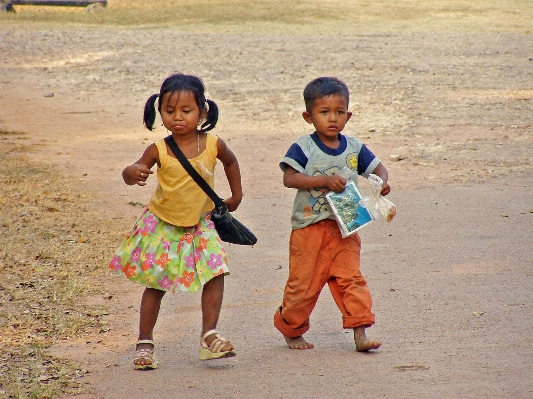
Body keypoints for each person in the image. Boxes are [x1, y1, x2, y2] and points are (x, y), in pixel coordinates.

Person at [109, 73, 243, 369]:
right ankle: (145, 341)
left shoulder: (213, 144)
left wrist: (237, 194)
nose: (178, 118)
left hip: (201, 224)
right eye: (169, 112)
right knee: (155, 283)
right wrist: (131, 173)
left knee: (215, 272)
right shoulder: (159, 149)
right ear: (160, 112)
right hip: (164, 224)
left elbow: (231, 162)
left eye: (186, 111)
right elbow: (135, 169)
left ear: (203, 112)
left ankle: (209, 335)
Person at [273, 76, 391, 352]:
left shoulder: (354, 147)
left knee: (352, 279)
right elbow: (290, 178)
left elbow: (378, 168)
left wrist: (381, 182)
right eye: (324, 112)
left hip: (346, 226)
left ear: (348, 115)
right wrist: (323, 181)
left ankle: (360, 333)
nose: (332, 119)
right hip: (309, 228)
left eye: (339, 112)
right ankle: (292, 329)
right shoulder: (304, 147)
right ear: (308, 116)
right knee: (303, 286)